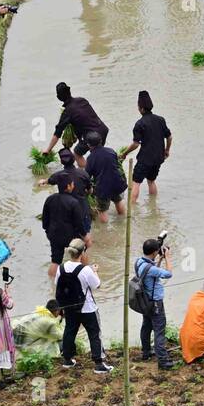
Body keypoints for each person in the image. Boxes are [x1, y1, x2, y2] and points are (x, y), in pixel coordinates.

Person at [57, 240, 112, 373]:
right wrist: (95, 271)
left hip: (70, 307)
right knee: (94, 334)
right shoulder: (85, 269)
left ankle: (68, 360)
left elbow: (57, 283)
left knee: (69, 331)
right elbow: (97, 285)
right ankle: (99, 364)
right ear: (83, 252)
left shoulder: (61, 267)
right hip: (87, 308)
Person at [42, 82, 110, 169]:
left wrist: (48, 150)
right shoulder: (82, 100)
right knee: (96, 153)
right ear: (69, 92)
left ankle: (88, 175)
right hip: (103, 130)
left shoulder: (67, 112)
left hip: (91, 135)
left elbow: (57, 133)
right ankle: (99, 170)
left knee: (77, 153)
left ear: (59, 97)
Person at [121, 90, 171, 204]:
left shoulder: (140, 124)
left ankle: (132, 208)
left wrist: (124, 153)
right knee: (151, 181)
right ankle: (153, 206)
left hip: (145, 159)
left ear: (141, 108)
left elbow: (136, 144)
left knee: (136, 183)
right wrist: (167, 150)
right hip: (158, 158)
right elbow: (169, 137)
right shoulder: (160, 120)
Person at [135, 238, 174, 369]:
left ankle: (146, 352)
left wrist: (160, 259)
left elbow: (151, 271)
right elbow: (168, 274)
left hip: (145, 301)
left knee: (146, 326)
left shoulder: (139, 262)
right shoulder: (150, 268)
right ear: (154, 252)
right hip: (155, 303)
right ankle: (162, 360)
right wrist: (168, 258)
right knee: (159, 330)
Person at [42, 175, 86, 281]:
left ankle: (52, 284)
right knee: (80, 253)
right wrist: (84, 236)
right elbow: (79, 223)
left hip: (53, 235)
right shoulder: (74, 203)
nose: (73, 185)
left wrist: (48, 231)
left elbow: (45, 220)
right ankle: (84, 275)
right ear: (68, 186)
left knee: (55, 261)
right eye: (72, 183)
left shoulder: (50, 199)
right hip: (70, 237)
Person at [83, 131, 126, 220]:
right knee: (118, 201)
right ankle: (122, 220)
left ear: (88, 145)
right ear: (101, 141)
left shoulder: (91, 158)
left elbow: (87, 176)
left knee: (103, 210)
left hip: (103, 188)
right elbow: (117, 164)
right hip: (117, 182)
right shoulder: (111, 151)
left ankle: (105, 230)